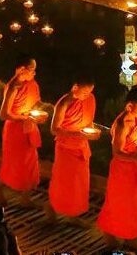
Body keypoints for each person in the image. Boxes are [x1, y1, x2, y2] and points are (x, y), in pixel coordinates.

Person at [97, 88, 137, 250]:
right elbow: (117, 152)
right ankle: (110, 238)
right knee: (120, 205)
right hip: (123, 170)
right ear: (129, 106)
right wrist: (134, 157)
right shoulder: (122, 123)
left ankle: (132, 240)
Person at [0, 56, 46, 206]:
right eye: (31, 70)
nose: (34, 73)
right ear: (22, 70)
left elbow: (35, 102)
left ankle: (25, 198)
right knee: (13, 164)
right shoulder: (13, 87)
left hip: (29, 127)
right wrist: (24, 118)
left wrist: (38, 113)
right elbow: (4, 114)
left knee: (31, 164)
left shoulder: (32, 84)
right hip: (15, 131)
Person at [45, 75, 98, 220]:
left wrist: (91, 132)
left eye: (90, 92)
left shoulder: (90, 99)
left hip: (81, 147)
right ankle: (52, 210)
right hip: (66, 148)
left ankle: (74, 216)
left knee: (79, 184)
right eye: (85, 92)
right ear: (75, 88)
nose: (87, 96)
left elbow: (88, 121)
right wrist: (76, 134)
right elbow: (54, 129)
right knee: (62, 183)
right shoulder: (64, 103)